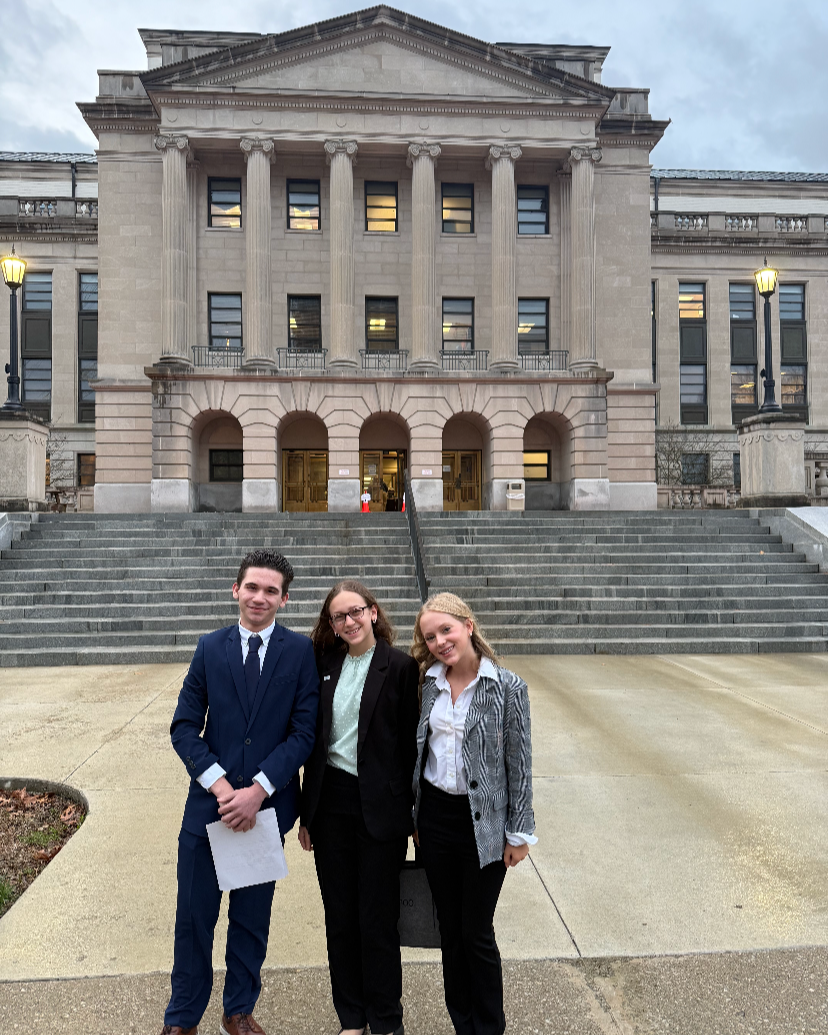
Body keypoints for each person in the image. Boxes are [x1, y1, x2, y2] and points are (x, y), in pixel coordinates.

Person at [159, 549, 320, 1035]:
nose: (259, 597)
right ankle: (182, 1017)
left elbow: (304, 732)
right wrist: (222, 785)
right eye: (252, 587)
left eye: (271, 590)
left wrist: (259, 790)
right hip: (209, 809)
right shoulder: (210, 647)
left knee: (251, 919)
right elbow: (184, 727)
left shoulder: (299, 652)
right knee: (193, 918)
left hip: (265, 812)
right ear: (236, 589)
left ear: (284, 599)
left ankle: (239, 1011)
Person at [411, 592, 536, 1035]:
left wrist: (519, 832)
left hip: (483, 822)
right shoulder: (427, 683)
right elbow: (417, 751)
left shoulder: (507, 687)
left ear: (468, 625)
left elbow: (519, 762)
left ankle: (488, 1027)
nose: (440, 642)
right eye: (430, 636)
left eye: (446, 630)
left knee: (476, 931)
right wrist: (415, 818)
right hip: (435, 819)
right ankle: (462, 1023)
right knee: (449, 930)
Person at [299, 580, 420, 1035]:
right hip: (330, 805)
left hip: (381, 809)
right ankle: (351, 1017)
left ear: (373, 612)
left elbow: (411, 747)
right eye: (339, 616)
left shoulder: (401, 667)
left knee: (378, 919)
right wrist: (307, 815)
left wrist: (413, 815)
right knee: (340, 917)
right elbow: (314, 746)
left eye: (355, 611)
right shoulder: (323, 665)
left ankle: (385, 1019)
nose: (349, 621)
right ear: (330, 624)